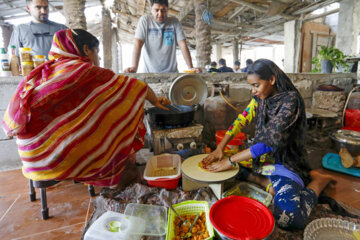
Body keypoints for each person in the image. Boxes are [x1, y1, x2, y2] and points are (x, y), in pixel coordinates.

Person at [2, 29, 171, 188]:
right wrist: (155, 101)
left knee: (98, 122)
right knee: (118, 138)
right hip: (52, 161)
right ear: (85, 49)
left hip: (32, 159)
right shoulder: (85, 71)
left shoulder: (44, 72)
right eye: (96, 51)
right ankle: (124, 186)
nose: (98, 58)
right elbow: (135, 87)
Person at [201, 59, 337, 229]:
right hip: (264, 161)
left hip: (285, 162)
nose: (253, 91)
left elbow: (267, 144)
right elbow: (240, 121)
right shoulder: (259, 99)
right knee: (227, 171)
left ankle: (318, 182)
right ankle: (268, 183)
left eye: (256, 85)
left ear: (272, 80)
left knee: (289, 220)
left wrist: (229, 161)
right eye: (252, 86)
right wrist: (220, 149)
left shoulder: (290, 101)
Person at [124, 0, 201, 73]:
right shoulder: (145, 21)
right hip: (150, 74)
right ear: (150, 8)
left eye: (163, 10)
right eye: (156, 10)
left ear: (167, 9)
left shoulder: (174, 22)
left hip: (172, 74)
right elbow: (138, 43)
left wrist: (191, 67)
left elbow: (183, 45)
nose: (160, 14)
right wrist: (134, 67)